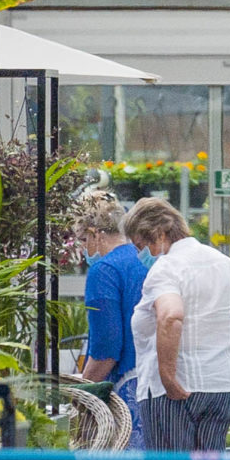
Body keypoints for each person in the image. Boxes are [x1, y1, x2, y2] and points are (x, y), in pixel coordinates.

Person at [124, 196, 230, 452]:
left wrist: (168, 376)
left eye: (142, 245)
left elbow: (171, 315)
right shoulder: (222, 263)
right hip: (218, 388)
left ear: (160, 234)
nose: (141, 255)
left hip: (172, 396)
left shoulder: (166, 268)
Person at [73, 188, 149, 446]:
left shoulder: (104, 271)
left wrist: (80, 396)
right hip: (159, 384)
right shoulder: (145, 259)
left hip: (128, 390)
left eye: (83, 240)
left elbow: (107, 348)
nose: (83, 249)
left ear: (95, 233)